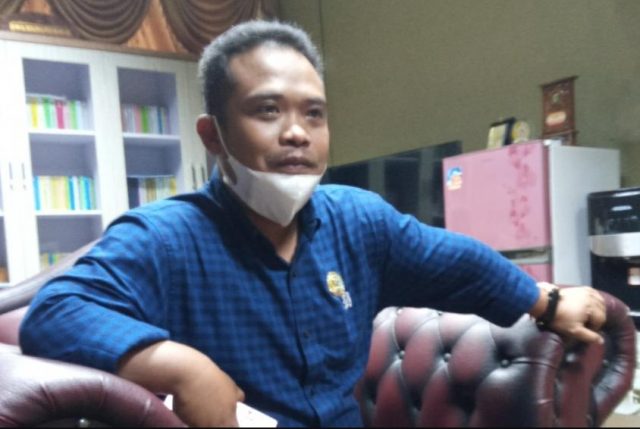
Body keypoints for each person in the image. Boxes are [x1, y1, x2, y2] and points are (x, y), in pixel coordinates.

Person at [19, 20, 606, 427]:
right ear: (212, 135)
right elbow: (55, 313)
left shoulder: (359, 220)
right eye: (267, 110)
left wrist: (549, 302)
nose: (297, 132)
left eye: (314, 114)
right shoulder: (165, 237)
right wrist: (184, 367)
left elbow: (456, 261)